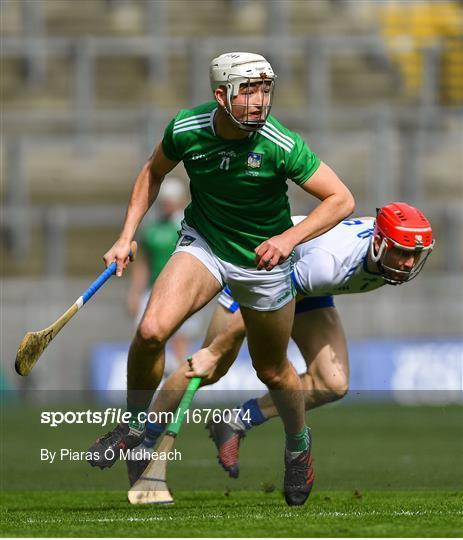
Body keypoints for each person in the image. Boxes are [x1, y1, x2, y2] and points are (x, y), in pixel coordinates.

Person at [86, 51, 354, 507]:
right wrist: (126, 236)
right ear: (220, 95)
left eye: (265, 89)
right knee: (150, 331)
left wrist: (288, 239)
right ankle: (135, 428)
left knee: (272, 369)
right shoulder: (186, 129)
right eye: (247, 90)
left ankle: (297, 447)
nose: (259, 101)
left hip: (263, 262)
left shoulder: (280, 143)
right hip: (205, 245)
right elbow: (153, 172)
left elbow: (341, 199)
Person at [126, 202, 434, 488]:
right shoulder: (330, 265)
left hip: (302, 283)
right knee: (208, 366)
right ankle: (145, 441)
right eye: (402, 253)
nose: (408, 264)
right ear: (379, 244)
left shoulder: (373, 253)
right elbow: (270, 300)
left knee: (333, 383)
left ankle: (234, 421)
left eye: (415, 256)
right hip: (256, 272)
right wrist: (218, 349)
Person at [126, 177, 192, 372]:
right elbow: (143, 264)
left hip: (179, 290)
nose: (167, 203)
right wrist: (134, 293)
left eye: (171, 199)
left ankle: (182, 382)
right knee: (144, 336)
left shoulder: (185, 226)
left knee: (178, 339)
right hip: (152, 289)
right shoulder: (152, 229)